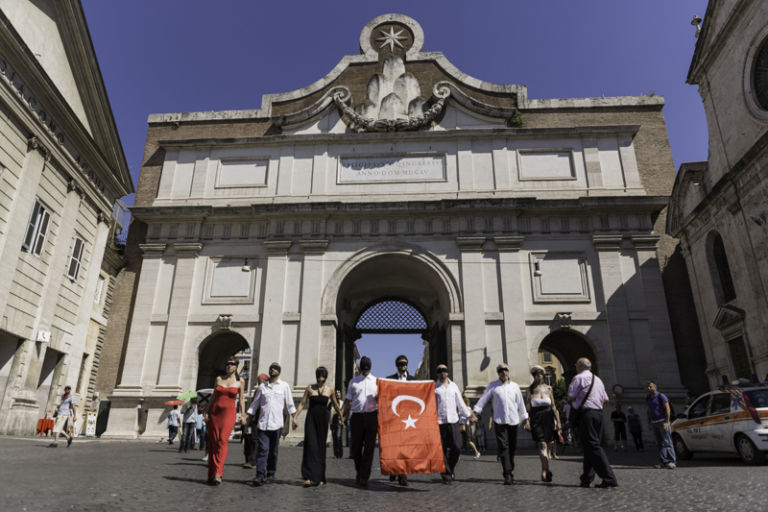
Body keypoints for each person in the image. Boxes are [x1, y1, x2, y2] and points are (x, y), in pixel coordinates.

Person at [471, 363, 529, 485]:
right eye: (500, 370)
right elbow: (483, 399)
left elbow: (521, 404)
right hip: (500, 421)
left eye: (505, 369)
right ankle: (507, 474)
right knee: (503, 447)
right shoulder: (493, 386)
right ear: (498, 373)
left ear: (508, 371)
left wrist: (526, 419)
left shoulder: (515, 386)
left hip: (513, 421)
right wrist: (476, 411)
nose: (503, 372)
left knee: (512, 447)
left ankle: (510, 466)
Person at [567, 357, 617, 488]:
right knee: (589, 446)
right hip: (598, 414)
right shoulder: (598, 380)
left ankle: (609, 478)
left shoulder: (578, 378)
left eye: (576, 365)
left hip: (586, 415)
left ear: (579, 366)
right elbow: (605, 399)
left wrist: (575, 401)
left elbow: (570, 396)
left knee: (593, 446)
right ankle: (586, 479)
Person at [246, 362, 296, 486]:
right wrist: (247, 417)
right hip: (263, 423)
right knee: (263, 449)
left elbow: (290, 404)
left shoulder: (284, 386)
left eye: (275, 368)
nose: (272, 370)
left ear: (279, 371)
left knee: (273, 451)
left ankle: (271, 473)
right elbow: (255, 405)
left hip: (277, 424)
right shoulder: (262, 388)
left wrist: (294, 418)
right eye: (271, 368)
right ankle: (259, 475)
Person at [292, 367, 343, 487]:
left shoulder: (330, 390)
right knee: (310, 445)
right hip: (311, 419)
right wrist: (295, 417)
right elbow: (302, 403)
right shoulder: (309, 388)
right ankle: (309, 477)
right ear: (316, 376)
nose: (321, 377)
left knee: (320, 447)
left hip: (323, 420)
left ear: (325, 376)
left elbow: (336, 405)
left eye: (323, 375)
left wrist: (341, 417)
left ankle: (320, 477)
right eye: (319, 375)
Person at [206, 356, 246, 485]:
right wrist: (206, 411)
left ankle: (218, 472)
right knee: (213, 443)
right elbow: (213, 397)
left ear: (236, 366)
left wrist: (243, 415)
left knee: (222, 440)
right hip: (214, 413)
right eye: (227, 364)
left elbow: (241, 400)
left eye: (232, 364)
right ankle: (211, 474)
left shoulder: (241, 382)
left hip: (228, 414)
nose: (229, 366)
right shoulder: (218, 379)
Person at [340, 355, 378, 487]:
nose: (364, 371)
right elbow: (347, 400)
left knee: (369, 449)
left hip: (372, 416)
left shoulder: (377, 382)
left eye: (366, 369)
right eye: (363, 369)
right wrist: (341, 415)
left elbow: (383, 400)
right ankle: (359, 470)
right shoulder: (353, 382)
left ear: (370, 368)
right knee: (355, 448)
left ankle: (364, 476)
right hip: (356, 417)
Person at [434, 364, 475, 484]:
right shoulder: (433, 387)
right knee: (441, 451)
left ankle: (450, 468)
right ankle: (446, 474)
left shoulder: (454, 386)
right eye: (440, 370)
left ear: (448, 372)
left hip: (453, 421)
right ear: (437, 373)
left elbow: (460, 403)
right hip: (439, 422)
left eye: (444, 370)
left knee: (457, 446)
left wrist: (469, 414)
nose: (442, 372)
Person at [526, 365, 561, 482]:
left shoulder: (549, 389)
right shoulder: (529, 390)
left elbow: (554, 406)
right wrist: (527, 421)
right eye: (536, 374)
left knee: (549, 444)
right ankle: (546, 470)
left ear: (543, 376)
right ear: (533, 376)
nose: (538, 376)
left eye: (540, 374)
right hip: (536, 419)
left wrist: (559, 423)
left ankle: (544, 469)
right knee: (542, 445)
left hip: (549, 418)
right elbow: (527, 409)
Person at [385, 354, 416, 486]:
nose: (402, 366)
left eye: (404, 363)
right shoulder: (389, 380)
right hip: (394, 418)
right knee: (395, 447)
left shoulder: (415, 380)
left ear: (407, 364)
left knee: (405, 447)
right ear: (396, 365)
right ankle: (393, 470)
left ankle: (403, 475)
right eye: (400, 364)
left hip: (409, 419)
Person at [646, 380, 676, 469]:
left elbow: (668, 409)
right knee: (659, 443)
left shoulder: (661, 396)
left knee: (667, 441)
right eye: (647, 386)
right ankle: (663, 461)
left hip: (663, 421)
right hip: (654, 423)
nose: (648, 388)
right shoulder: (648, 398)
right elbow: (647, 411)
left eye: (650, 386)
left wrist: (667, 422)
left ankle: (671, 461)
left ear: (655, 387)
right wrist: (649, 423)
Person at [243, 373, 269, 469]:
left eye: (262, 380)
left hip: (264, 419)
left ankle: (261, 460)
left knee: (262, 441)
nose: (260, 382)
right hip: (255, 419)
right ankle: (252, 460)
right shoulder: (258, 390)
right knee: (253, 440)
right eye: (259, 381)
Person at [330, 390, 344, 459]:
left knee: (338, 437)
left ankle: (340, 453)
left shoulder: (342, 403)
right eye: (336, 394)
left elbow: (344, 413)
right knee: (334, 438)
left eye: (339, 393)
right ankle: (335, 454)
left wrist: (342, 420)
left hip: (339, 422)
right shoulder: (331, 403)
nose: (338, 395)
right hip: (333, 422)